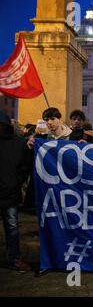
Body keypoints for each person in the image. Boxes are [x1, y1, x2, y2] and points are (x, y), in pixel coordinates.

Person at [0, 111, 32, 273]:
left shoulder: (18, 143)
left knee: (12, 227)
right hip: (8, 191)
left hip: (10, 193)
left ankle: (15, 258)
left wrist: (16, 181)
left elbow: (26, 166)